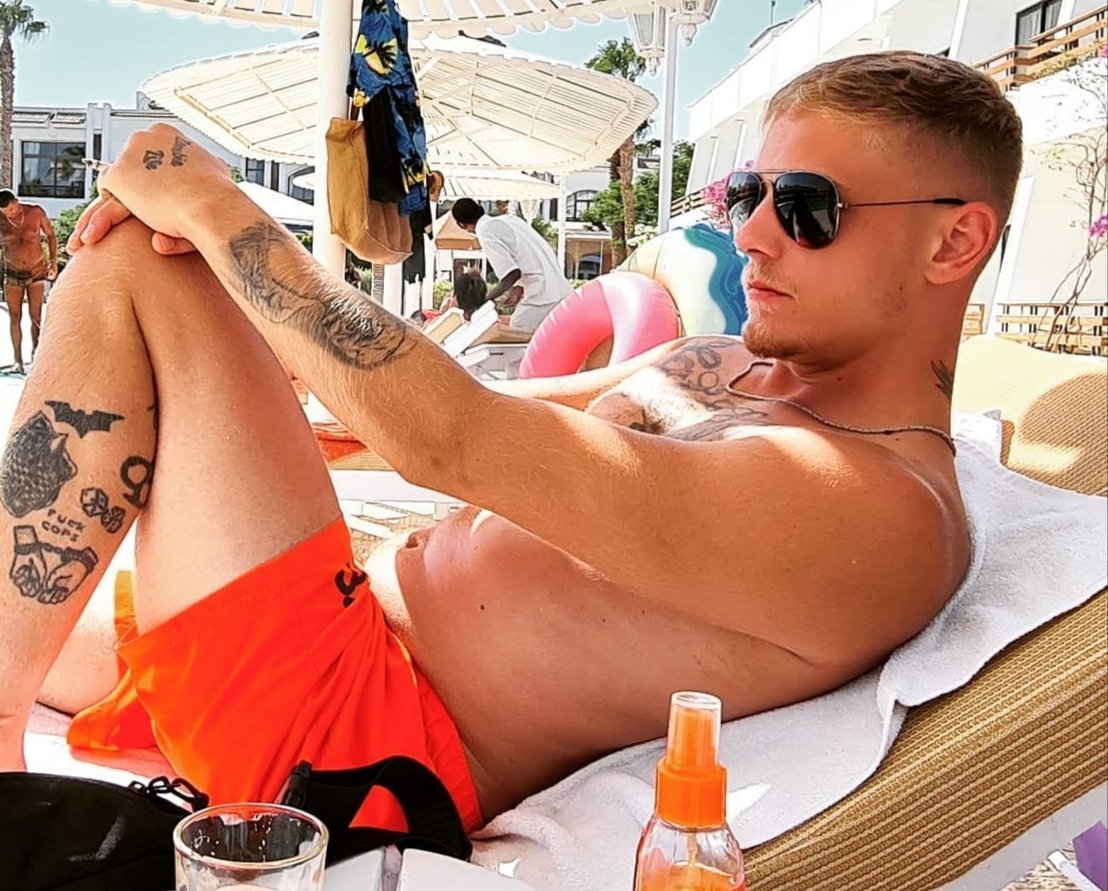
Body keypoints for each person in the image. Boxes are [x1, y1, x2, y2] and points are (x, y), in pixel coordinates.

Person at [0, 51, 1021, 834]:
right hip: (333, 619)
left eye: (805, 208)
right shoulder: (718, 361)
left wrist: (214, 210)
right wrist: (237, 404)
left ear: (956, 240)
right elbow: (474, 410)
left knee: (148, 263)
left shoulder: (873, 506)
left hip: (356, 743)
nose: (749, 235)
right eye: (745, 197)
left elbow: (451, 436)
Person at [450, 197, 572, 331]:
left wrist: (485, 300)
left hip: (542, 295)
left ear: (461, 225)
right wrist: (518, 287)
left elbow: (512, 274)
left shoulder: (486, 232)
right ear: (480, 209)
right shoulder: (511, 220)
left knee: (517, 330)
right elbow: (527, 258)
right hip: (560, 289)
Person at [0, 190, 58, 374]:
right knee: (14, 316)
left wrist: (53, 263)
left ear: (16, 201)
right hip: (12, 273)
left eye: (12, 209)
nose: (10, 214)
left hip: (37, 271)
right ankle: (17, 360)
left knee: (36, 316)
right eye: (6, 212)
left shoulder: (35, 212)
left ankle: (36, 355)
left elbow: (51, 235)